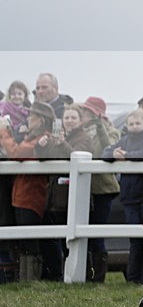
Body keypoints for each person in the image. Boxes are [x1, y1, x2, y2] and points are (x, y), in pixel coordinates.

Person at [36, 103, 95, 280]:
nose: (69, 121)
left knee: (78, 242)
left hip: (75, 197)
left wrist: (63, 145)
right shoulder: (58, 138)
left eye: (73, 118)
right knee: (62, 242)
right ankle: (63, 276)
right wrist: (42, 146)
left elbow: (78, 158)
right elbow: (44, 159)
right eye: (66, 118)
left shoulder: (84, 138)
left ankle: (86, 276)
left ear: (80, 120)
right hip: (57, 196)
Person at [102, 109, 143, 284]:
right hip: (129, 198)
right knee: (135, 241)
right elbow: (106, 152)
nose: (134, 127)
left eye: (138, 123)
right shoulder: (124, 140)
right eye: (131, 124)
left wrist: (126, 156)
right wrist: (113, 155)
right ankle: (133, 279)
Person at [0, 102, 56, 281]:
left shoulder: (42, 139)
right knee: (24, 240)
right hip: (22, 194)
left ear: (41, 120)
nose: (28, 119)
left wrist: (4, 132)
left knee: (30, 239)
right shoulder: (31, 137)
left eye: (32, 117)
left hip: (30, 196)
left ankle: (30, 278)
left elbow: (16, 153)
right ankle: (25, 278)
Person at [79, 96, 120, 282]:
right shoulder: (81, 131)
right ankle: (87, 274)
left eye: (88, 112)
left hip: (103, 188)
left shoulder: (110, 130)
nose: (84, 115)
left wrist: (100, 126)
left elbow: (108, 147)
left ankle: (99, 277)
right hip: (85, 188)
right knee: (83, 233)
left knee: (96, 234)